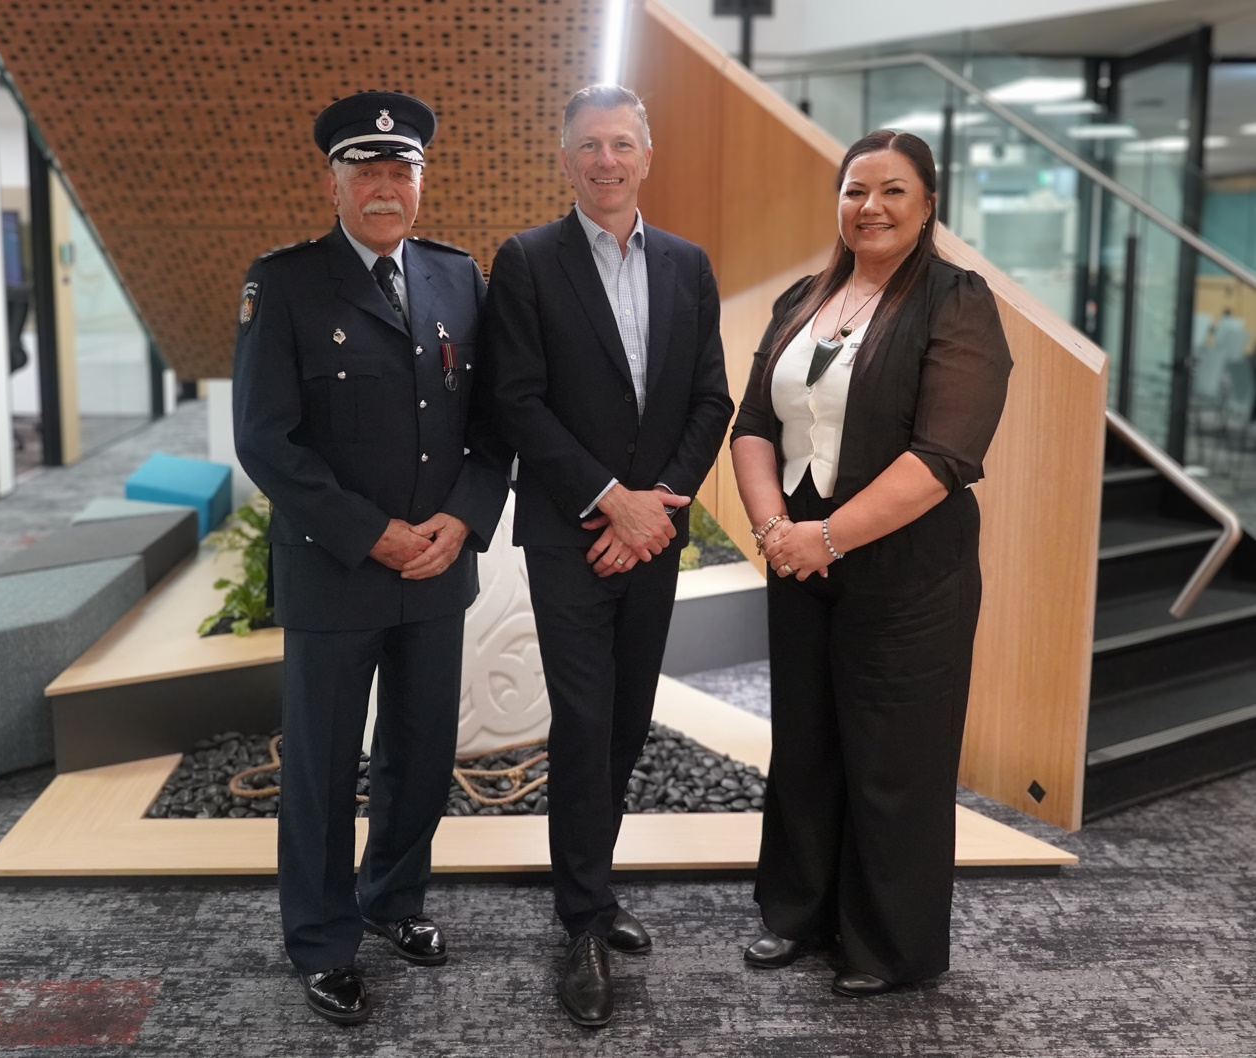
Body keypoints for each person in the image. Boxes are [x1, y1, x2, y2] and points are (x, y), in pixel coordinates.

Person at [232, 90, 508, 1025]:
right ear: (335, 182)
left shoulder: (459, 279)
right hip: (337, 568)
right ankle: (321, 939)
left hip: (436, 567)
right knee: (320, 764)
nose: (386, 187)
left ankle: (393, 900)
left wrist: (462, 522)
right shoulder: (286, 284)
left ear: (421, 183)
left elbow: (492, 426)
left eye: (402, 171)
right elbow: (268, 440)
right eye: (367, 171)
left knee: (422, 749)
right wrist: (371, 532)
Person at [730, 129, 1012, 997]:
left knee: (895, 757)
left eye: (893, 191)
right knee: (807, 745)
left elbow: (944, 455)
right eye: (855, 190)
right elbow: (751, 427)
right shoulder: (802, 300)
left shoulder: (957, 302)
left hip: (907, 569)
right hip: (801, 561)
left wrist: (828, 536)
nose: (871, 207)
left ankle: (889, 946)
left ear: (929, 205)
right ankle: (800, 917)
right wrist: (778, 528)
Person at [483, 84, 732, 1027]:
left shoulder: (686, 264)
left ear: (647, 154)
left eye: (622, 144)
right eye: (589, 146)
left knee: (628, 719)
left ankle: (594, 882)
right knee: (584, 722)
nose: (606, 161)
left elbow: (710, 399)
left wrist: (658, 508)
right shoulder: (527, 262)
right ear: (565, 159)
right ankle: (581, 921)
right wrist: (610, 503)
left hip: (653, 536)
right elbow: (517, 401)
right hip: (573, 537)